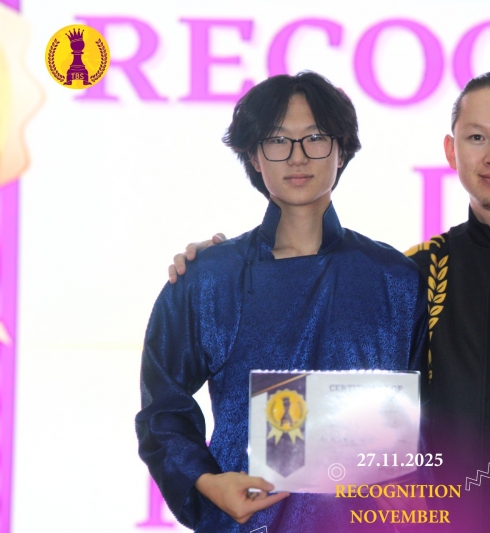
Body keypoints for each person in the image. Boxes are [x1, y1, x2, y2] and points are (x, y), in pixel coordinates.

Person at [170, 71, 490, 532]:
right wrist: (225, 268)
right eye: (476, 137)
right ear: (452, 152)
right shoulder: (416, 271)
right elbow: (373, 413)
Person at [138, 71, 427, 533]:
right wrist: (208, 482)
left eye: (315, 137)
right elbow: (162, 408)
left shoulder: (396, 280)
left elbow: (428, 423)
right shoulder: (208, 279)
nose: (297, 156)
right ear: (254, 156)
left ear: (341, 150)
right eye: (277, 140)